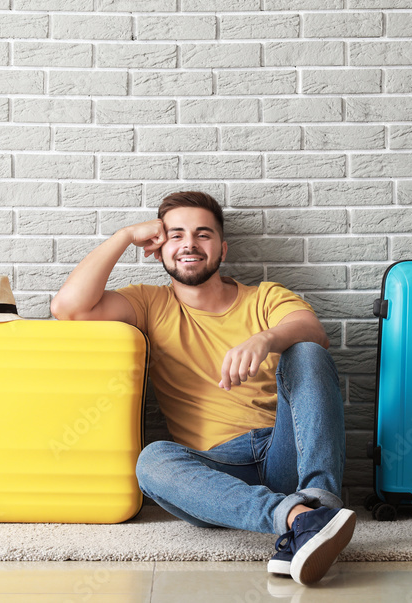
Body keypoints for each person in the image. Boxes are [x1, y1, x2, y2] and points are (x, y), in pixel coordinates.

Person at [50, 191, 354, 586]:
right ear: (158, 250)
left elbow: (313, 332)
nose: (189, 244)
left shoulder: (264, 298)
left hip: (285, 449)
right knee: (152, 461)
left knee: (307, 352)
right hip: (216, 476)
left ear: (222, 248)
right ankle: (302, 519)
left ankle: (317, 499)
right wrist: (124, 236)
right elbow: (68, 309)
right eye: (175, 235)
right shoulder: (149, 303)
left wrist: (265, 339)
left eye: (202, 234)